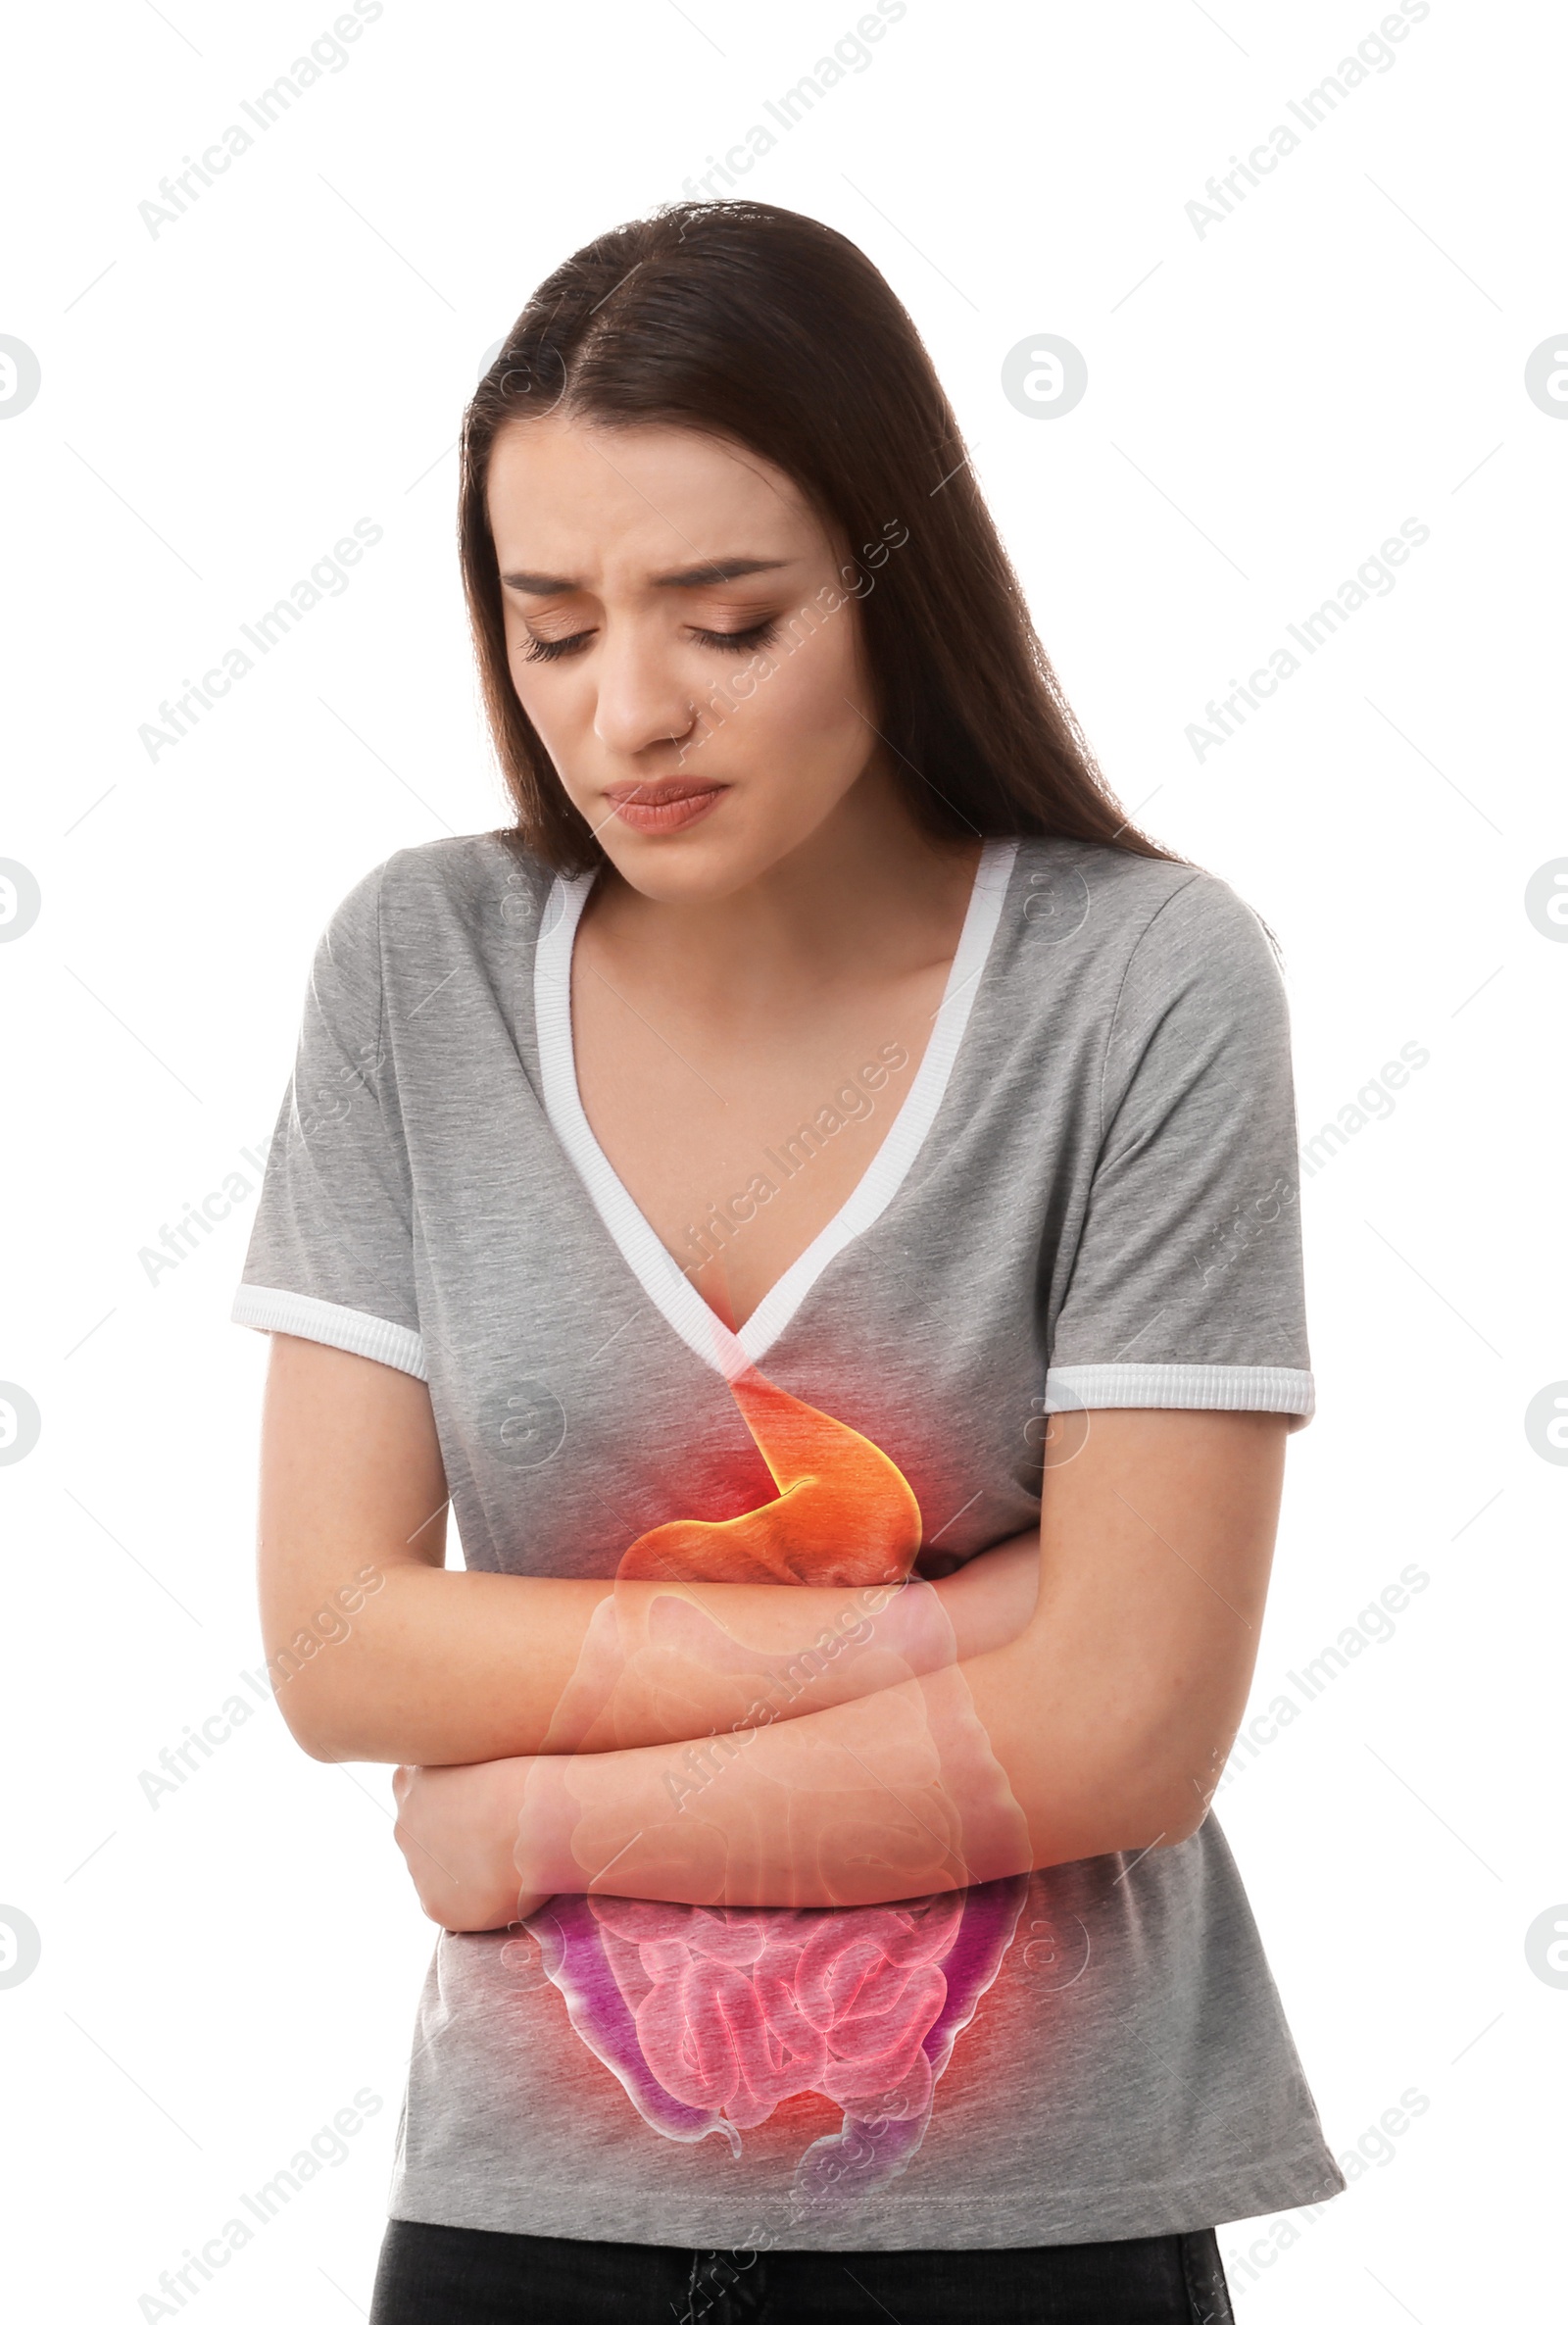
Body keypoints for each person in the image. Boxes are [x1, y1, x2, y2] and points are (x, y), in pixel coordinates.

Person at [236, 199, 1344, 2325]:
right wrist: (963, 1631)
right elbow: (338, 1636)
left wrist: (530, 1821)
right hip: (522, 2231)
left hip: (1045, 2224)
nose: (624, 710)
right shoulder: (418, 966)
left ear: (891, 585)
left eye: (722, 621)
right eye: (549, 625)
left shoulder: (1144, 985)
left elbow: (1123, 1737)